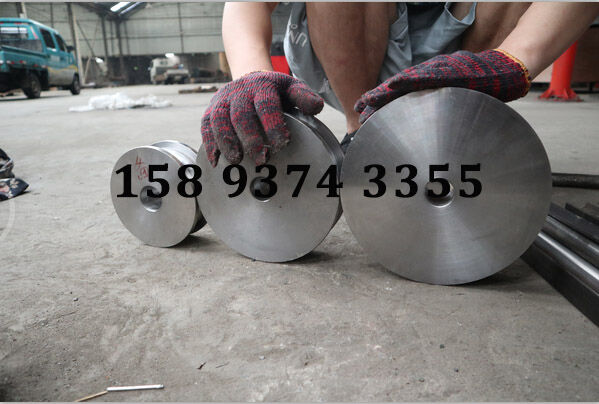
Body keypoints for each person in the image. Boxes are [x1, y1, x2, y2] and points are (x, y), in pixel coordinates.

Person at [201, 2, 599, 167]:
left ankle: (458, 126)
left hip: (464, 46)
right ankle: (362, 135)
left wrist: (513, 60)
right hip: (352, 48)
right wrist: (250, 73)